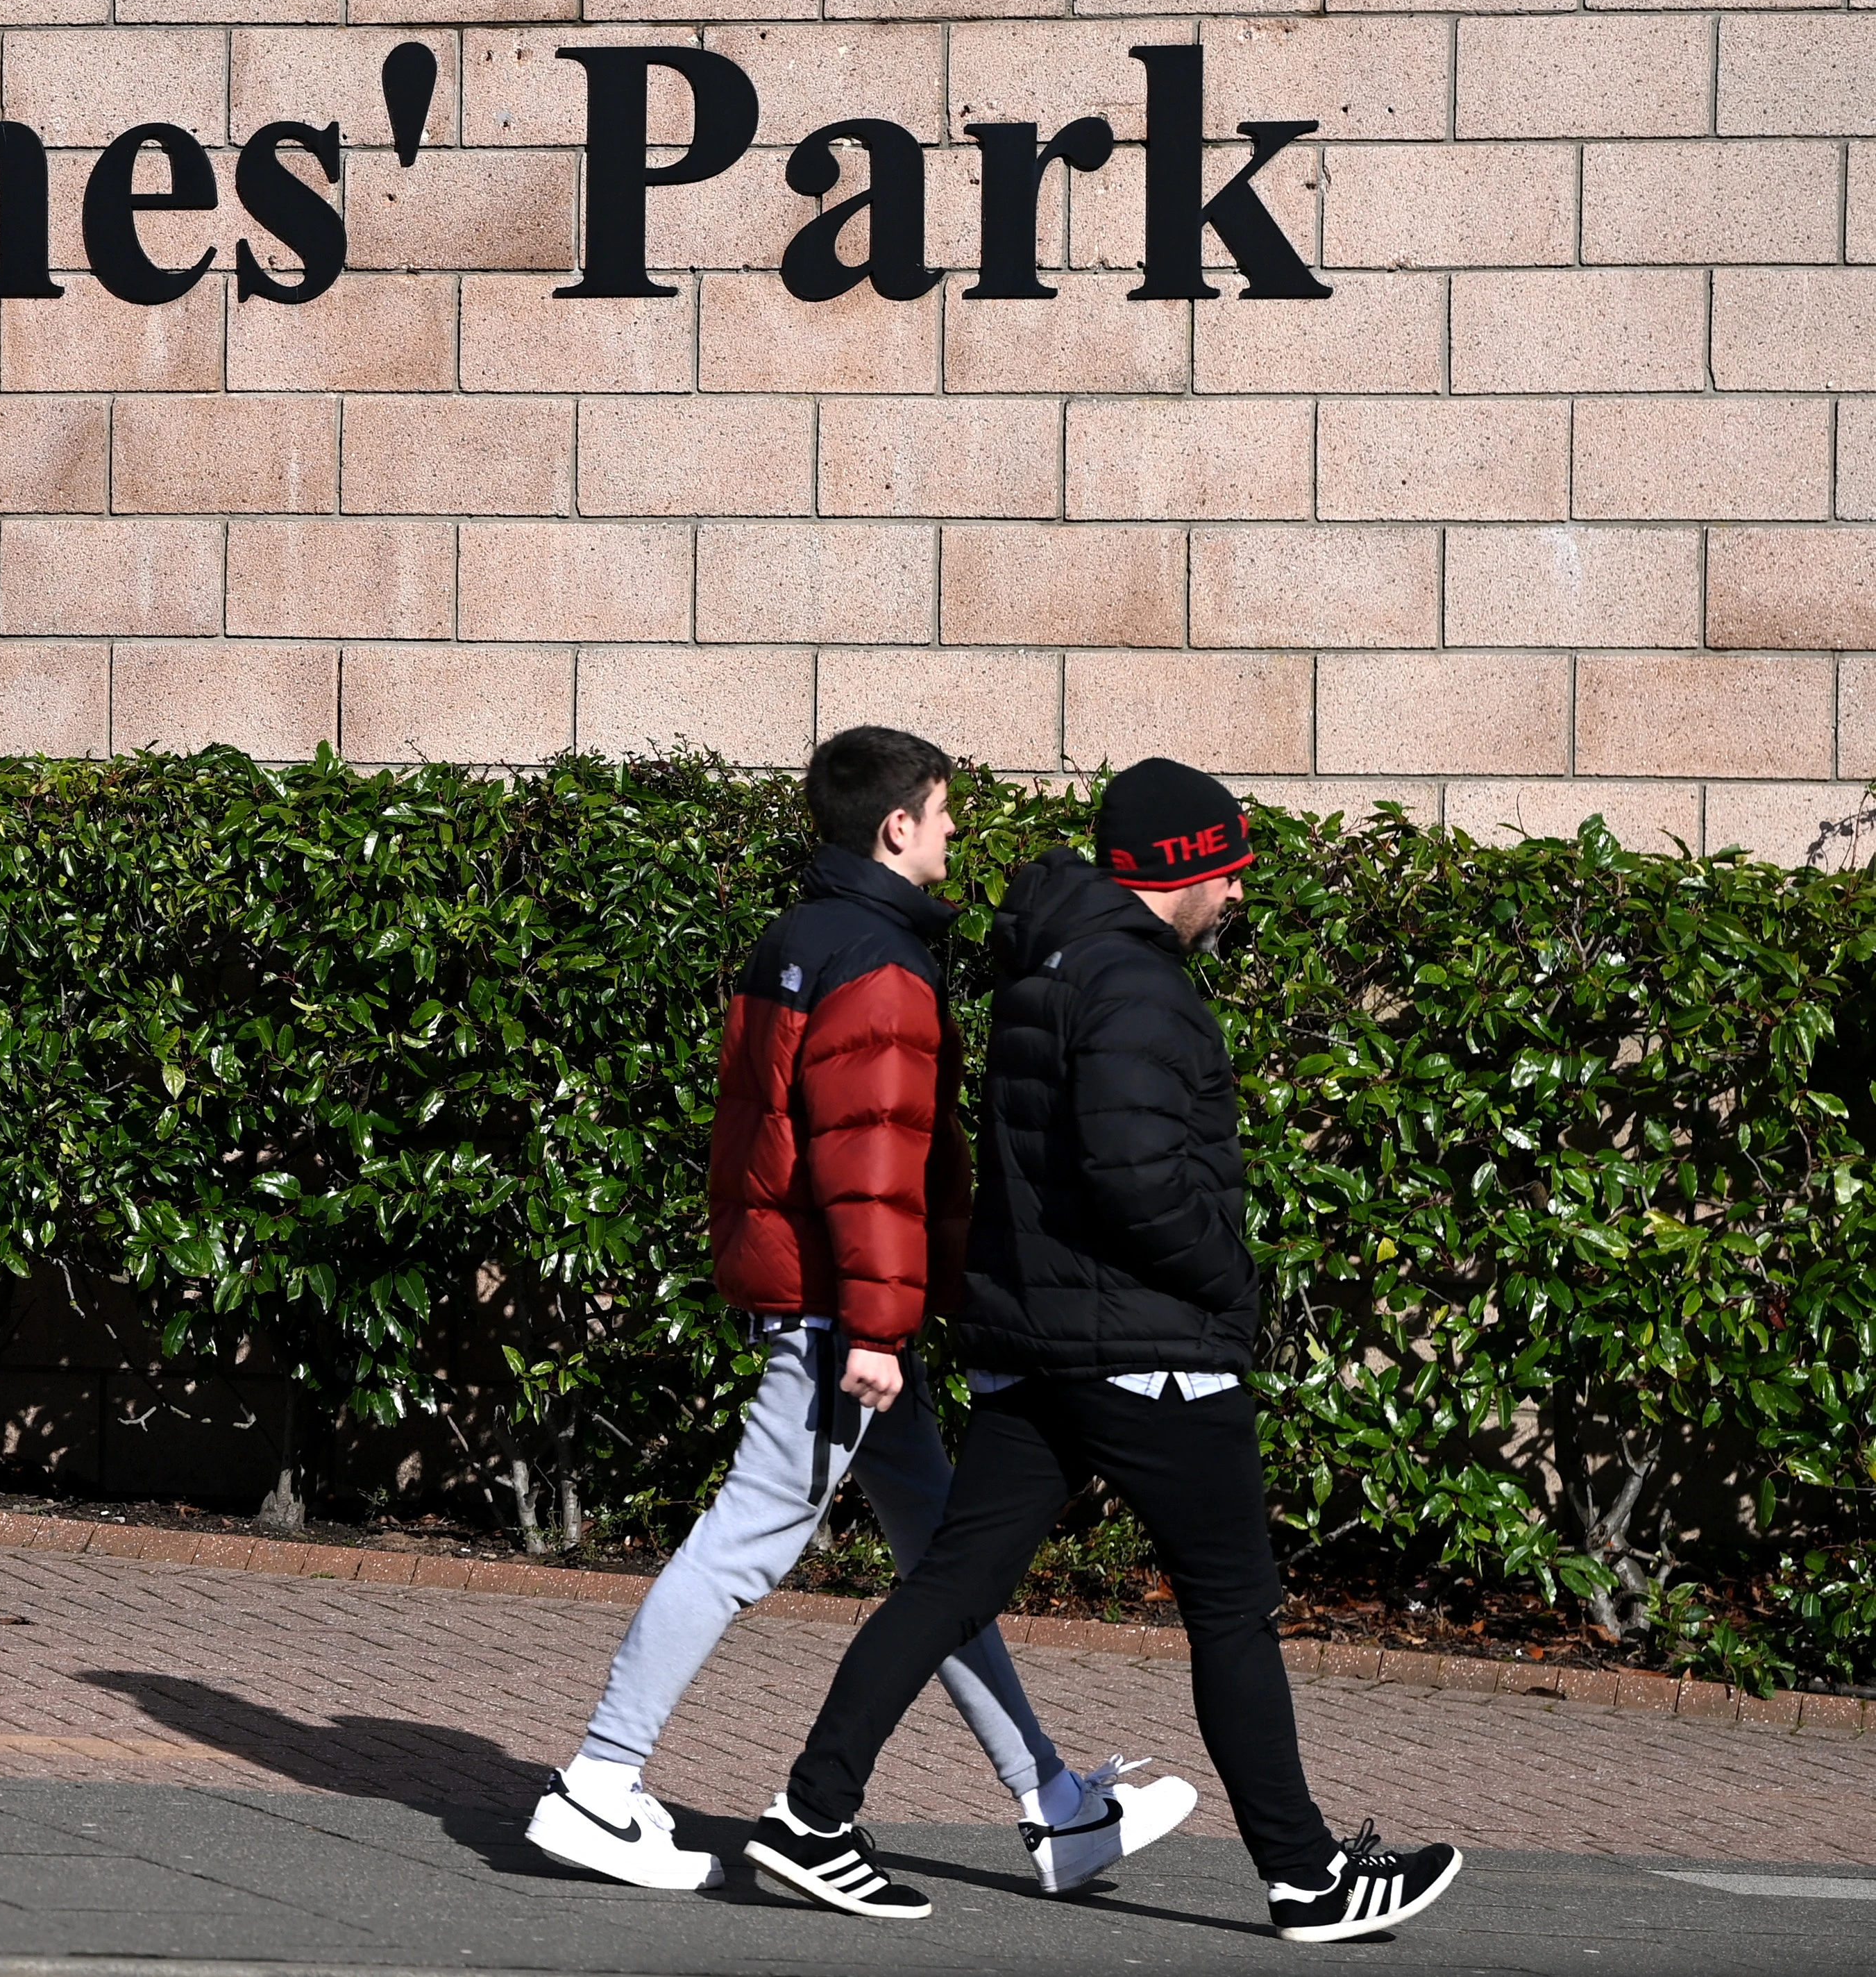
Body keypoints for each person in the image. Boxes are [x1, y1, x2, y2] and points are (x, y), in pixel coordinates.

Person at [738, 758, 1465, 1944]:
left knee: (952, 1585)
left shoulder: (1047, 968)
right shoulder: (1135, 987)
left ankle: (810, 1814)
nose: (1237, 890)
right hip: (1152, 1351)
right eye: (1226, 864)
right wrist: (1232, 1287)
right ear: (1181, 867)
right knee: (1232, 1610)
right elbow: (1134, 1177)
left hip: (1038, 1348)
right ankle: (1306, 1877)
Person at [527, 727, 1194, 1899]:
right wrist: (879, 1330)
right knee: (747, 1542)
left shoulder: (799, 939)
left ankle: (1054, 1807)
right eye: (942, 815)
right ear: (897, 826)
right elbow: (869, 1166)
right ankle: (598, 1782)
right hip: (844, 1320)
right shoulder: (878, 966)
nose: (953, 833)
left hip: (831, 1305)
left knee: (946, 1561)